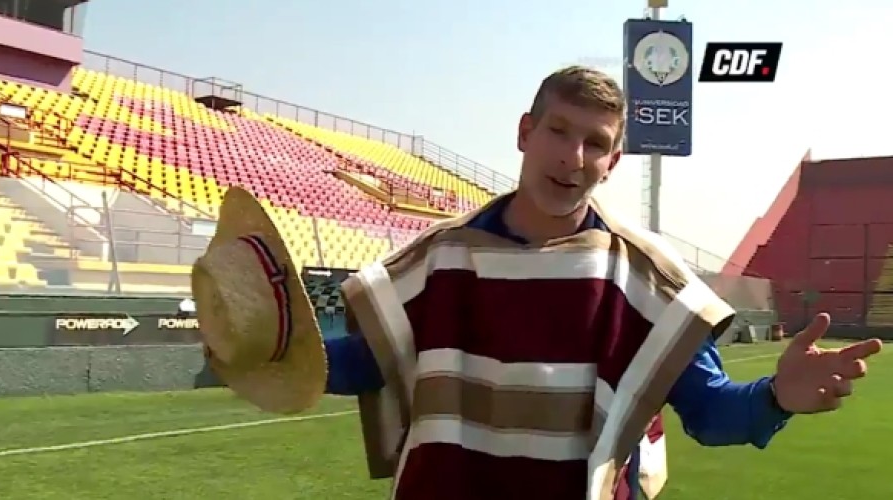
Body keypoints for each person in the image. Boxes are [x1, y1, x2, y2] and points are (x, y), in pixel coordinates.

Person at [322, 66, 883, 500]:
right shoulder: (440, 255)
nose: (573, 157)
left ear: (612, 162)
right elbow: (365, 362)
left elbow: (711, 412)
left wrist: (776, 396)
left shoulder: (644, 277)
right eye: (558, 131)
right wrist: (281, 343)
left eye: (595, 143)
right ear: (525, 132)